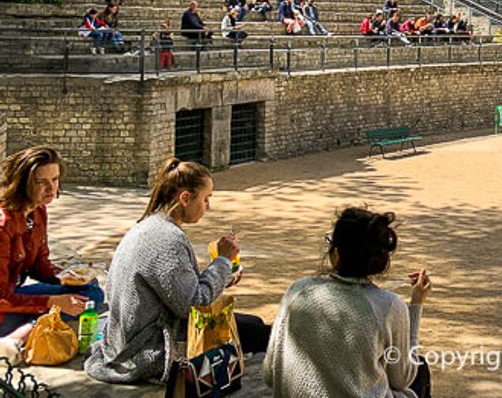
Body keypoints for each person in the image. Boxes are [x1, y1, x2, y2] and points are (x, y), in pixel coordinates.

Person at [85, 158, 270, 385]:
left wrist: (223, 277)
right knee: (259, 333)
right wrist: (222, 261)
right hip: (150, 350)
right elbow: (193, 304)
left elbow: (175, 288)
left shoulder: (149, 226)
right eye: (205, 199)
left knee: (253, 324)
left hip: (129, 339)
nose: (208, 206)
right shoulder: (167, 239)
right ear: (185, 198)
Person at [263, 208, 431, 398]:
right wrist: (416, 305)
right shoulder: (389, 306)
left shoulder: (298, 291)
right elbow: (402, 379)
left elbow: (270, 372)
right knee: (418, 374)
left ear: (336, 252)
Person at [1, 147, 105, 348]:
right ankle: (18, 337)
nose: (51, 188)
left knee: (90, 290)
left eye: (55, 180)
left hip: (13, 294)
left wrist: (69, 277)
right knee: (79, 301)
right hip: (3, 305)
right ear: (22, 184)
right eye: (41, 182)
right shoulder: (3, 226)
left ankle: (30, 328)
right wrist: (52, 302)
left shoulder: (38, 211)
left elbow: (39, 265)